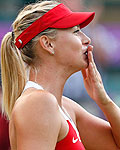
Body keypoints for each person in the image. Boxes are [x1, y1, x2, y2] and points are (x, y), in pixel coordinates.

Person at [1, 1, 120, 150]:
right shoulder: (39, 103)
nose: (87, 39)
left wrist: (104, 100)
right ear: (48, 44)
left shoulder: (64, 106)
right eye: (76, 31)